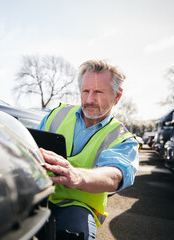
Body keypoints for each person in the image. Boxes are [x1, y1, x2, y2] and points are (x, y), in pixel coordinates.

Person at [36, 60, 139, 240]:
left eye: (98, 92)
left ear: (117, 95)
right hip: (38, 196)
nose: (90, 99)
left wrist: (77, 176)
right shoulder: (56, 115)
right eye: (85, 91)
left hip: (78, 208)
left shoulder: (122, 139)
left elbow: (114, 175)